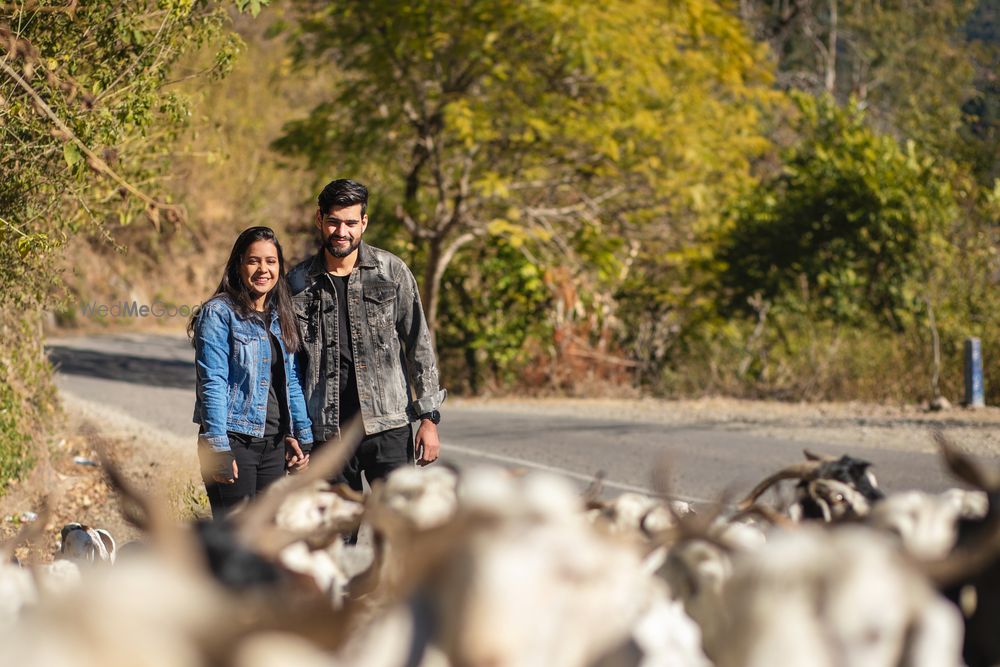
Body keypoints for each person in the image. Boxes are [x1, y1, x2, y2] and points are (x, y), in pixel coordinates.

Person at [288, 178, 446, 491]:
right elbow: (287, 365)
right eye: (333, 222)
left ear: (364, 222)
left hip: (388, 425)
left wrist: (429, 418)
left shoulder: (392, 271)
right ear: (320, 219)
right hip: (326, 432)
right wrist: (292, 431)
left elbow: (419, 345)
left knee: (397, 530)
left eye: (350, 223)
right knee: (333, 536)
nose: (341, 232)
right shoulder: (297, 282)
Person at [191, 226, 313, 517]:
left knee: (264, 542)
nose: (263, 269)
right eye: (253, 260)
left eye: (271, 261)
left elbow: (291, 380)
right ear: (239, 265)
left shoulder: (281, 315)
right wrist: (219, 446)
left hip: (274, 445)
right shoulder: (219, 313)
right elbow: (213, 382)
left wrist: (302, 436)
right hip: (234, 442)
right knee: (237, 543)